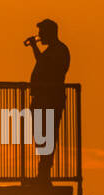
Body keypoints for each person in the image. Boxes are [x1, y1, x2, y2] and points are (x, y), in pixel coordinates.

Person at [25, 18, 70, 183]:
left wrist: (34, 46)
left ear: (50, 33)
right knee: (41, 135)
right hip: (42, 99)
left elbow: (45, 65)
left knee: (47, 135)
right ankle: (42, 172)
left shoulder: (59, 50)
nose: (39, 36)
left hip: (51, 99)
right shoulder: (53, 50)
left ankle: (44, 173)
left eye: (42, 33)